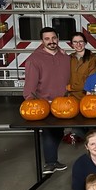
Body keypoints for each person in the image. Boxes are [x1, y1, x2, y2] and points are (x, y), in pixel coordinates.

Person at [23, 27, 70, 174]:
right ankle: (50, 163)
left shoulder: (65, 57)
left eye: (54, 38)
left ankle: (52, 161)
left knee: (59, 132)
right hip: (44, 103)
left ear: (58, 38)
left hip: (63, 103)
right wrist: (31, 102)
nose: (51, 41)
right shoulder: (34, 59)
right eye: (47, 39)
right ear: (41, 41)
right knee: (49, 132)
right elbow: (30, 84)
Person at [68, 32, 96, 100]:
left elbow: (91, 80)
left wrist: (71, 87)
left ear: (85, 43)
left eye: (81, 41)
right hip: (71, 97)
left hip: (85, 96)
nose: (78, 44)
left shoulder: (92, 58)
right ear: (72, 44)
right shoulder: (69, 58)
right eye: (75, 42)